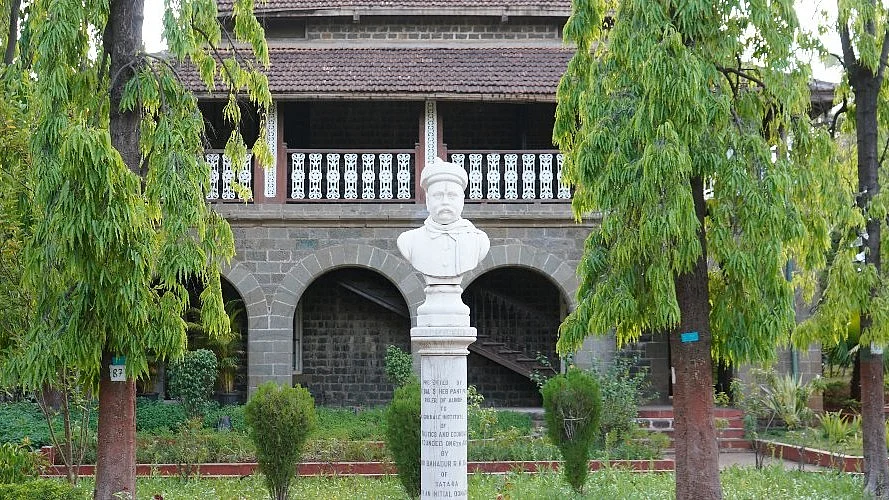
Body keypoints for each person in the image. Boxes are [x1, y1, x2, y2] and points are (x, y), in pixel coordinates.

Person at [398, 157, 490, 278]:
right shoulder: (408, 241)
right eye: (438, 195)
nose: (445, 202)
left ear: (462, 200)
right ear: (428, 200)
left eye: (452, 195)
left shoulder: (480, 241)